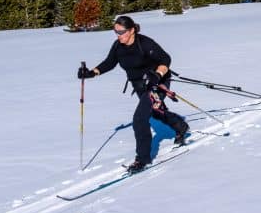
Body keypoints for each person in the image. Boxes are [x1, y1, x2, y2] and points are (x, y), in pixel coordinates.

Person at [77, 15, 189, 172]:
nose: (118, 35)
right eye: (115, 31)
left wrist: (157, 74)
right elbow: (109, 63)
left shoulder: (144, 43)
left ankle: (142, 159)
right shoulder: (118, 46)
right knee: (156, 112)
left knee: (139, 119)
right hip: (139, 85)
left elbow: (165, 58)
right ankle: (181, 126)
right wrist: (91, 73)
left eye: (121, 32)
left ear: (131, 31)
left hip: (157, 83)